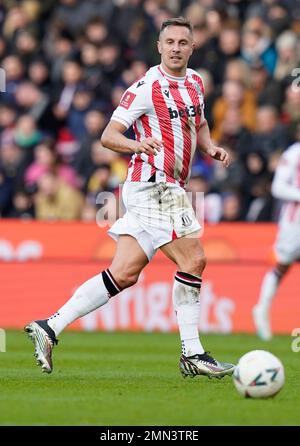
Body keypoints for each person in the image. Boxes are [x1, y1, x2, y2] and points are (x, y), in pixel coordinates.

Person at [25, 17, 235, 379]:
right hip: (153, 184)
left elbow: (197, 123)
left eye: (182, 42)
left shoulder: (197, 82)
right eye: (169, 41)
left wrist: (211, 146)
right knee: (194, 258)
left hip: (168, 186)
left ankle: (50, 327)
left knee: (123, 274)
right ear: (158, 46)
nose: (175, 48)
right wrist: (138, 144)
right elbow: (108, 135)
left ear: (192, 47)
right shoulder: (145, 87)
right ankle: (193, 353)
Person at [253, 133, 300, 340]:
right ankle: (261, 310)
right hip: (294, 222)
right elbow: (278, 187)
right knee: (282, 264)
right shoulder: (293, 154)